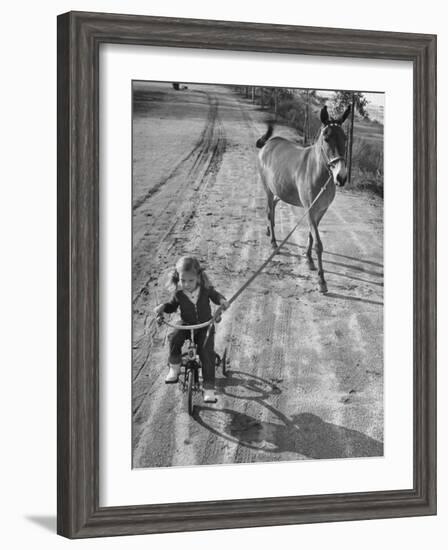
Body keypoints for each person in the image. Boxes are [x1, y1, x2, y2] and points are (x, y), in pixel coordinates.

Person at [154, 256, 229, 403]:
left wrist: (222, 301)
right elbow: (171, 306)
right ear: (178, 278)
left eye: (191, 280)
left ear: (198, 278)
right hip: (187, 324)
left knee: (206, 354)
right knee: (174, 337)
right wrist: (162, 308)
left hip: (204, 325)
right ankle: (174, 367)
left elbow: (216, 296)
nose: (186, 284)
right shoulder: (179, 293)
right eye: (183, 280)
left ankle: (208, 388)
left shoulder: (206, 289)